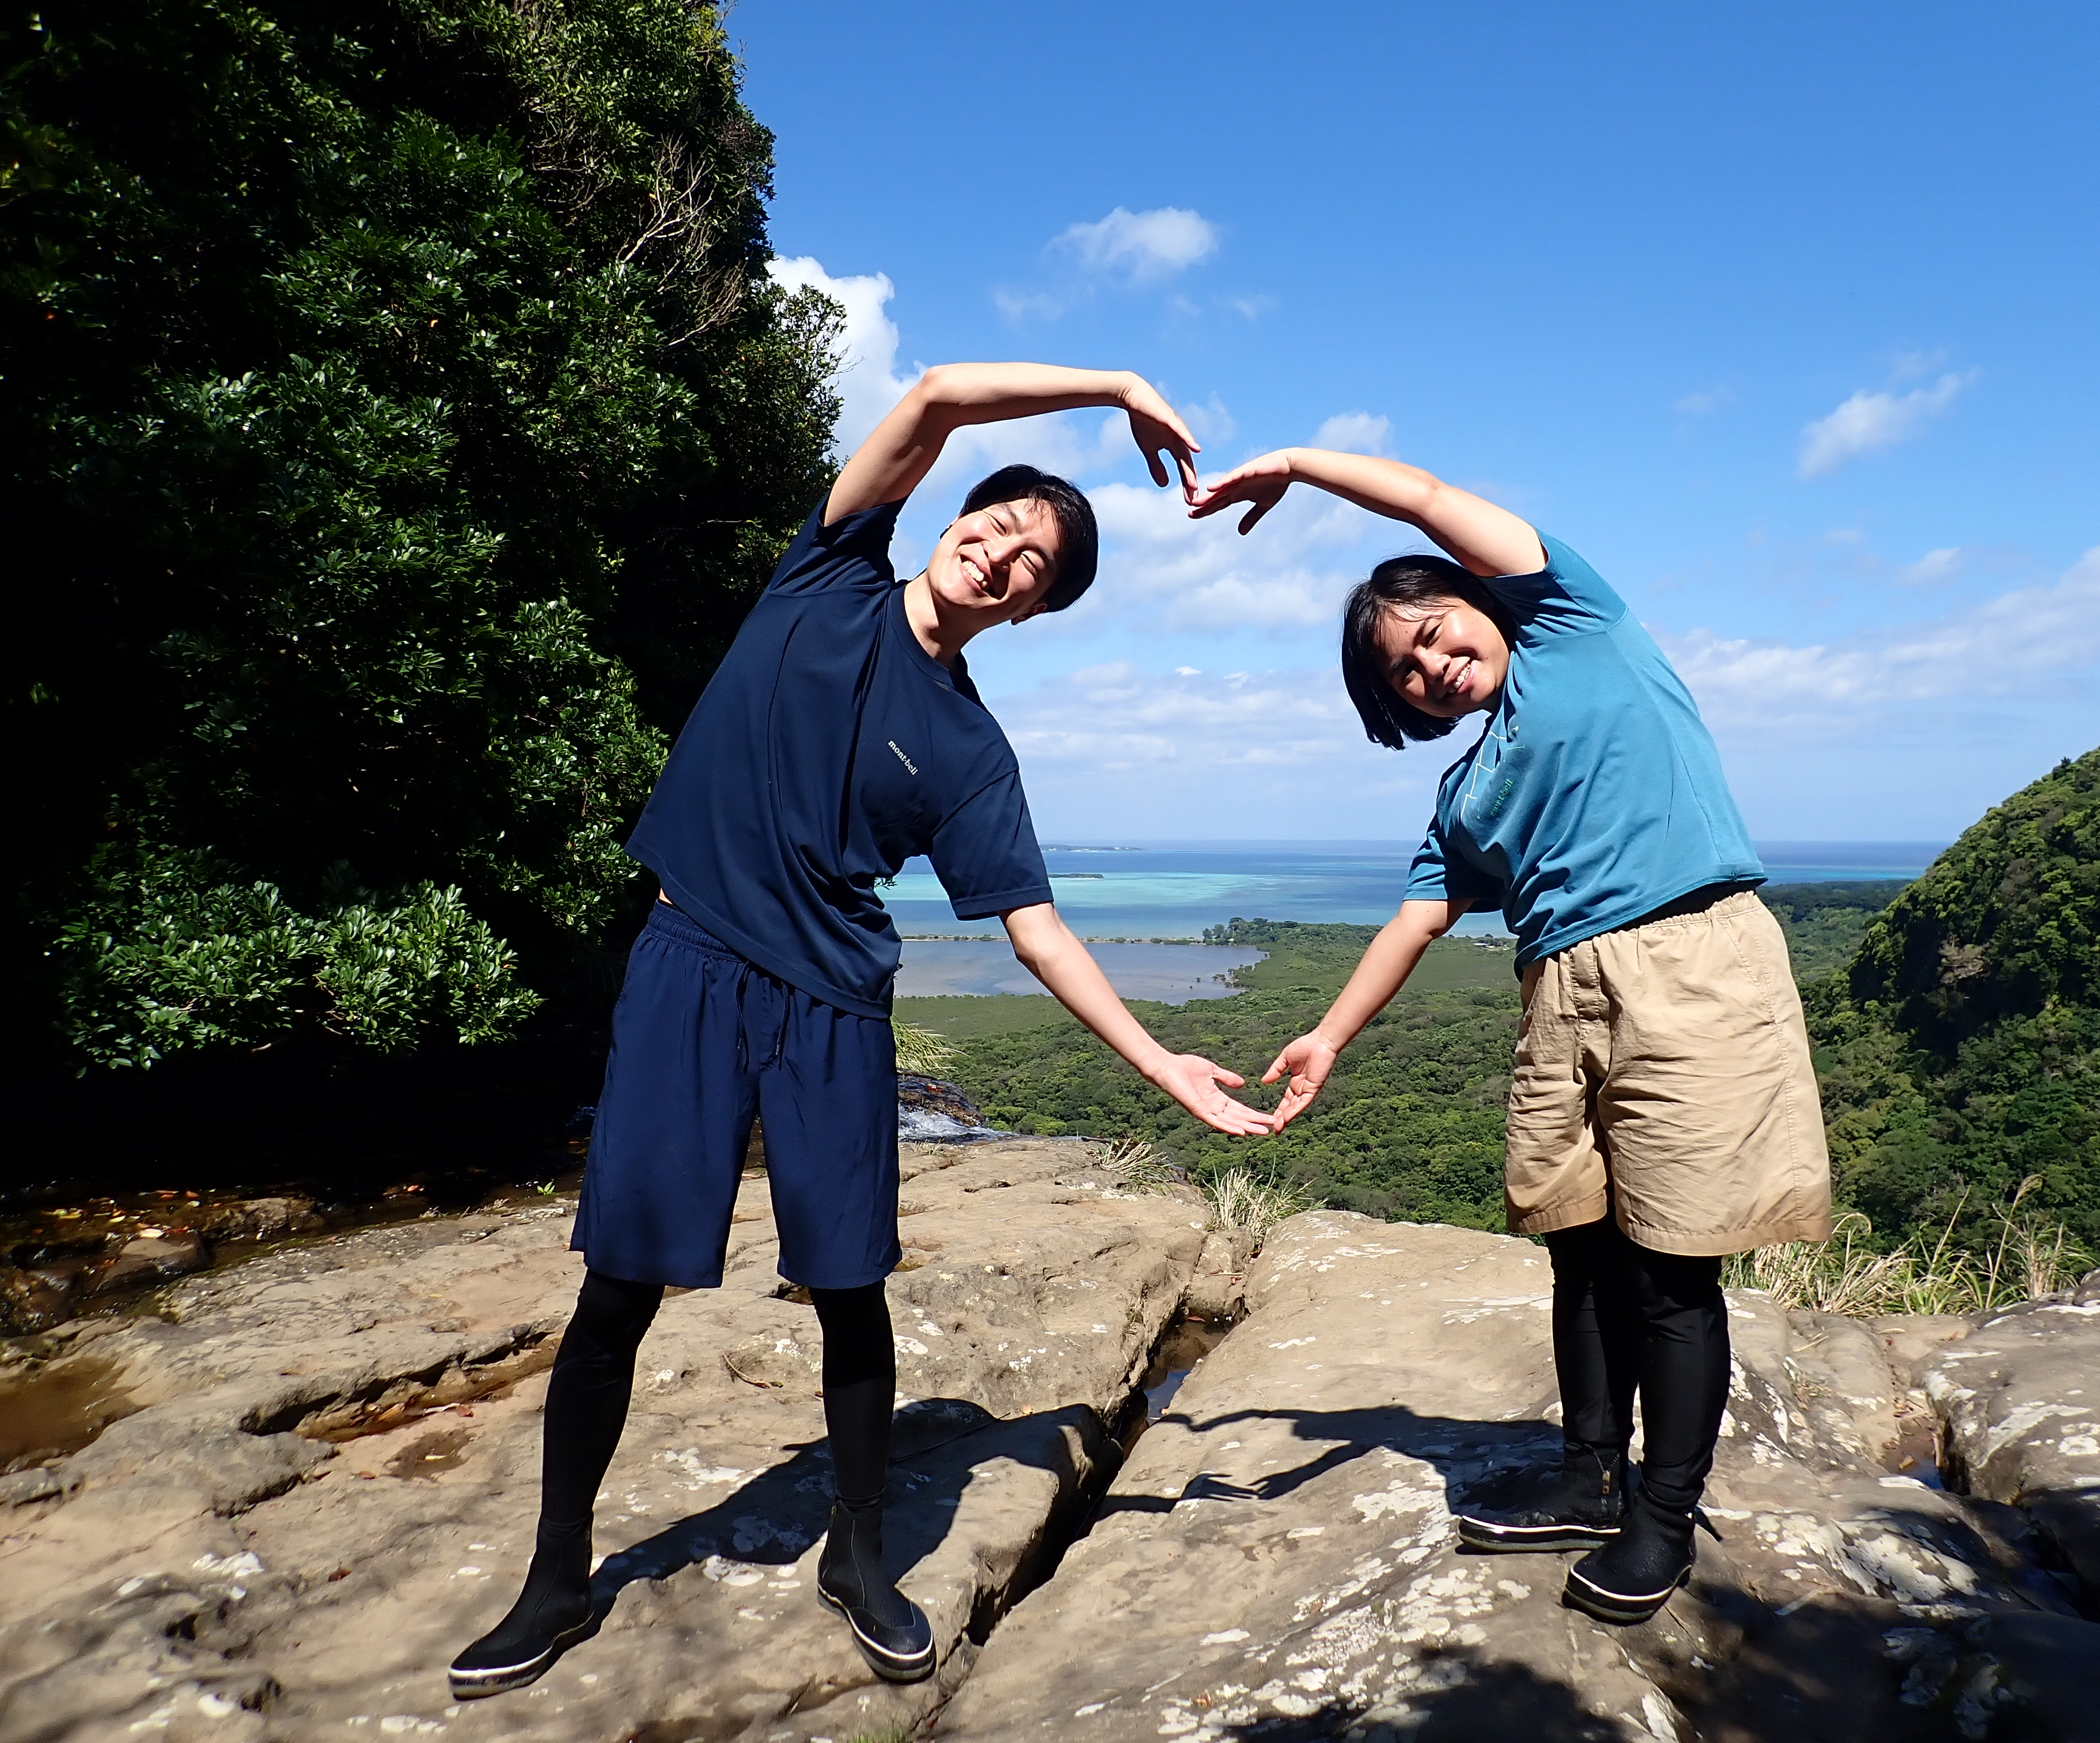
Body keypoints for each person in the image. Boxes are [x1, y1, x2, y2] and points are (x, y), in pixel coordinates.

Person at [450, 364, 1273, 1700]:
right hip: (692, 961)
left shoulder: (968, 750)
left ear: (1031, 612)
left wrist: (1160, 1060)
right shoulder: (824, 575)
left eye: (1032, 569)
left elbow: (1037, 928)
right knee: (620, 1285)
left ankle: (861, 1556)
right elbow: (940, 393)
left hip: (831, 1001)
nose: (1001, 556)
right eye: (998, 527)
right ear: (958, 515)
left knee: (848, 1287)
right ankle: (555, 1581)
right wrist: (1115, 384)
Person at [1190, 445, 1831, 1626]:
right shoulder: (1463, 794)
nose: (1431, 664)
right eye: (1402, 671)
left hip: (1688, 961)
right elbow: (1417, 915)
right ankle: (1591, 1472)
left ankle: (1662, 1517)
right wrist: (1328, 1035)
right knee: (1578, 1245)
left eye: (1432, 629)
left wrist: (1295, 468)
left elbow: (1429, 499)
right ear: (1392, 704)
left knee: (1670, 1263)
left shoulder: (1573, 628)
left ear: (1473, 601)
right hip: (1558, 994)